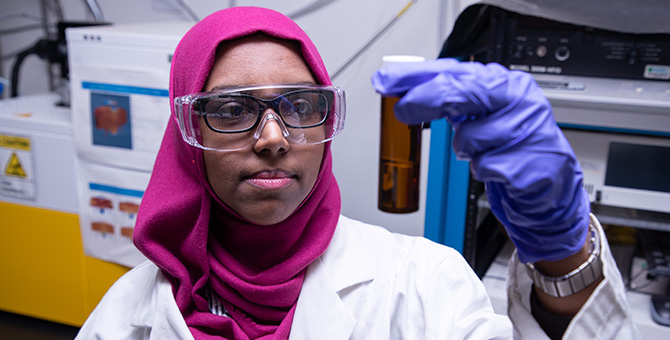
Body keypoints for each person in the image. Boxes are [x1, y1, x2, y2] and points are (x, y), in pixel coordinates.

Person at [75, 6, 639, 340]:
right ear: (186, 137)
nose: (273, 138)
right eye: (230, 111)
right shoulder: (126, 317)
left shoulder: (423, 284)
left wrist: (563, 258)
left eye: (299, 106)